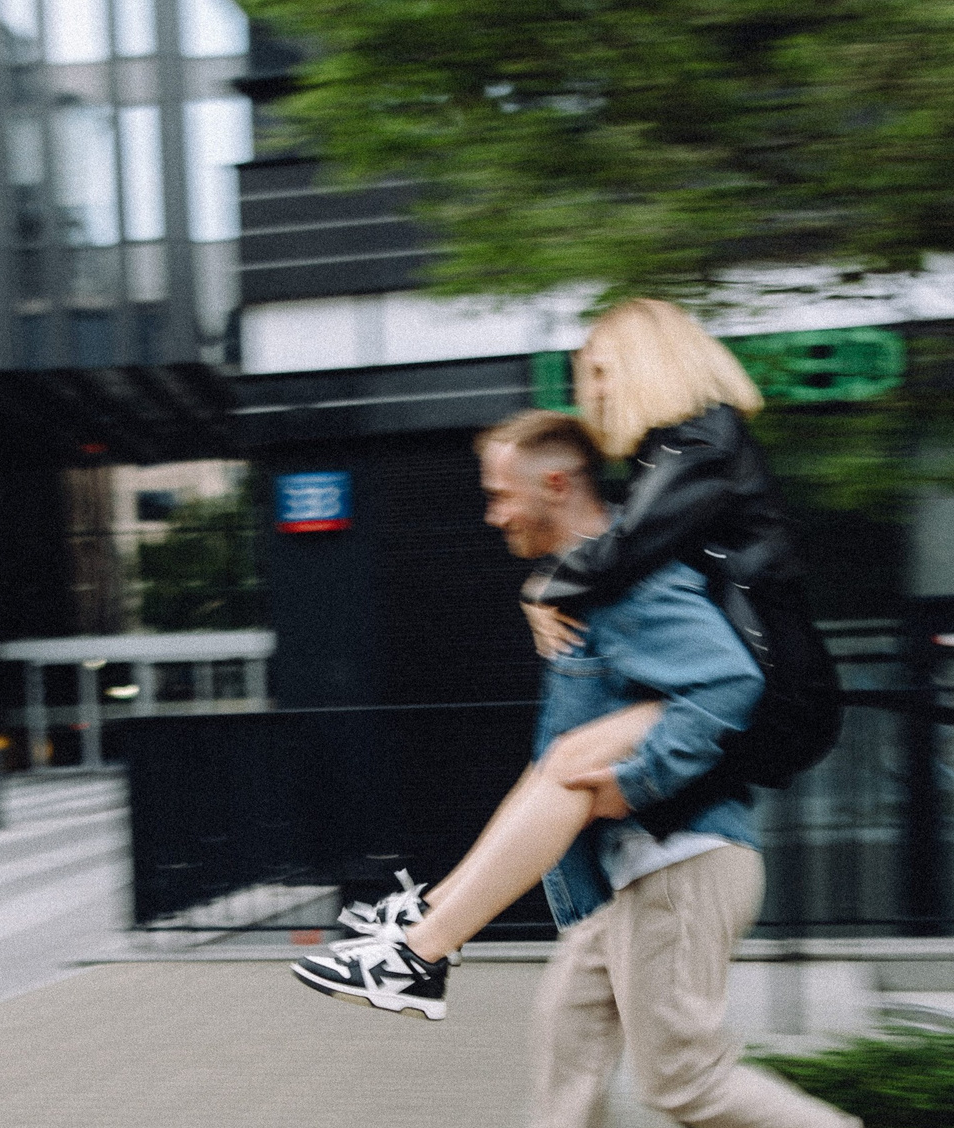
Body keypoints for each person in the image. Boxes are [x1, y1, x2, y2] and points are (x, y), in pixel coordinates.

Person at [319, 405, 943, 1128]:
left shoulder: (636, 583)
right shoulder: (585, 586)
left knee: (682, 1079)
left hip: (682, 864)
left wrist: (637, 780)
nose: (493, 515)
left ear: (558, 482)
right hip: (636, 874)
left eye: (501, 496)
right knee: (566, 1027)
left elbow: (729, 681)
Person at [291, 299, 794, 1020]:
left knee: (681, 1075)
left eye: (598, 370)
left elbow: (634, 558)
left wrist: (552, 587)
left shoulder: (700, 446)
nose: (592, 391)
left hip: (755, 683)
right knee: (557, 764)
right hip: (726, 695)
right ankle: (425, 932)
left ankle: (423, 947)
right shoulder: (679, 457)